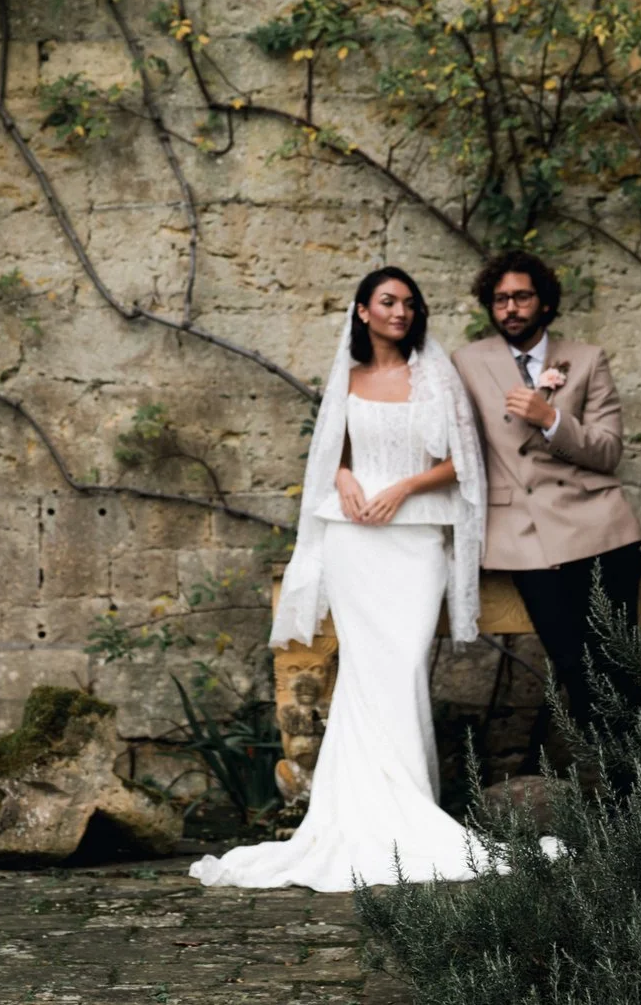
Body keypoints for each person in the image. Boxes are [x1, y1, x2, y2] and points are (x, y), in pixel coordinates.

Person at [189, 266, 493, 892]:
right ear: (362, 311)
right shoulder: (350, 377)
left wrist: (404, 486)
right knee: (360, 671)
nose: (400, 312)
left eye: (410, 302)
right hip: (354, 539)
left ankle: (410, 807)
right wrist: (349, 480)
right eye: (387, 302)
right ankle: (354, 815)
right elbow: (334, 452)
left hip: (415, 538)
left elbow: (464, 460)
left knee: (404, 663)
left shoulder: (434, 375)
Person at [451, 249, 641, 767]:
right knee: (575, 666)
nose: (511, 308)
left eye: (521, 296)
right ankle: (621, 795)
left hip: (601, 526)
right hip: (524, 532)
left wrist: (551, 418)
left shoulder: (586, 358)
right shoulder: (467, 363)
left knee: (619, 665)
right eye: (500, 300)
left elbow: (607, 451)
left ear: (544, 302)